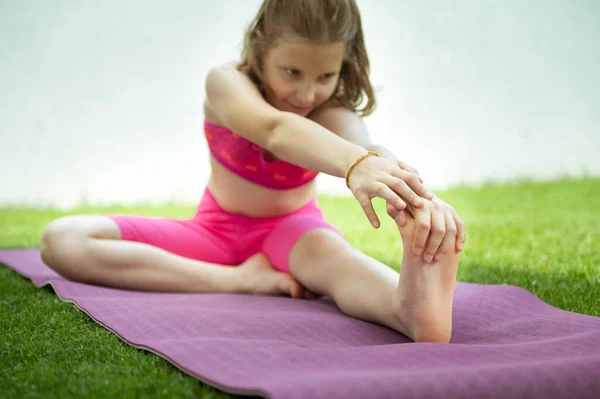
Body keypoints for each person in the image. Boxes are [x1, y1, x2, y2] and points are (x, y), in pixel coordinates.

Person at [40, 0, 465, 343]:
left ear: (343, 65)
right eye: (292, 72)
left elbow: (366, 147)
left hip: (296, 236)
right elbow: (274, 129)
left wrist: (417, 198)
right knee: (62, 240)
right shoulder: (225, 83)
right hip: (213, 232)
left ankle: (412, 305)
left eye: (326, 76)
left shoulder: (328, 109)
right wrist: (355, 164)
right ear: (260, 45)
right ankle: (240, 280)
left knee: (342, 268)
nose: (307, 92)